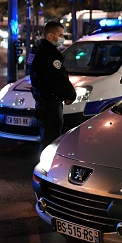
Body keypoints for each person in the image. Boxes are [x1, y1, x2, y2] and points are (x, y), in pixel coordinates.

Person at [29, 21, 77, 153]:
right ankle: (46, 168)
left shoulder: (37, 51)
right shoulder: (48, 55)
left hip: (43, 101)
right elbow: (57, 79)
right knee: (51, 139)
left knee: (47, 137)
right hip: (50, 103)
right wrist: (70, 95)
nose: (62, 38)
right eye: (60, 35)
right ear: (50, 36)